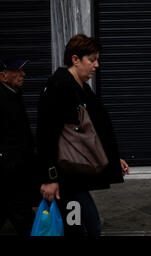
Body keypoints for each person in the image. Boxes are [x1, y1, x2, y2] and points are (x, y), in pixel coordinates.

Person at [36, 34, 129, 236]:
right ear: (75, 59)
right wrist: (49, 178)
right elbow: (45, 136)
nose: (96, 65)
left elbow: (95, 130)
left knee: (84, 227)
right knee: (80, 228)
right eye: (92, 60)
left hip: (75, 177)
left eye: (97, 60)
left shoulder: (82, 89)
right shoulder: (58, 87)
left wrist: (113, 159)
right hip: (65, 181)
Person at [0, 57, 38, 236]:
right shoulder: (4, 98)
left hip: (16, 171)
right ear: (3, 76)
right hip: (10, 174)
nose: (23, 74)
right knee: (26, 221)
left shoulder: (14, 94)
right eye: (18, 71)